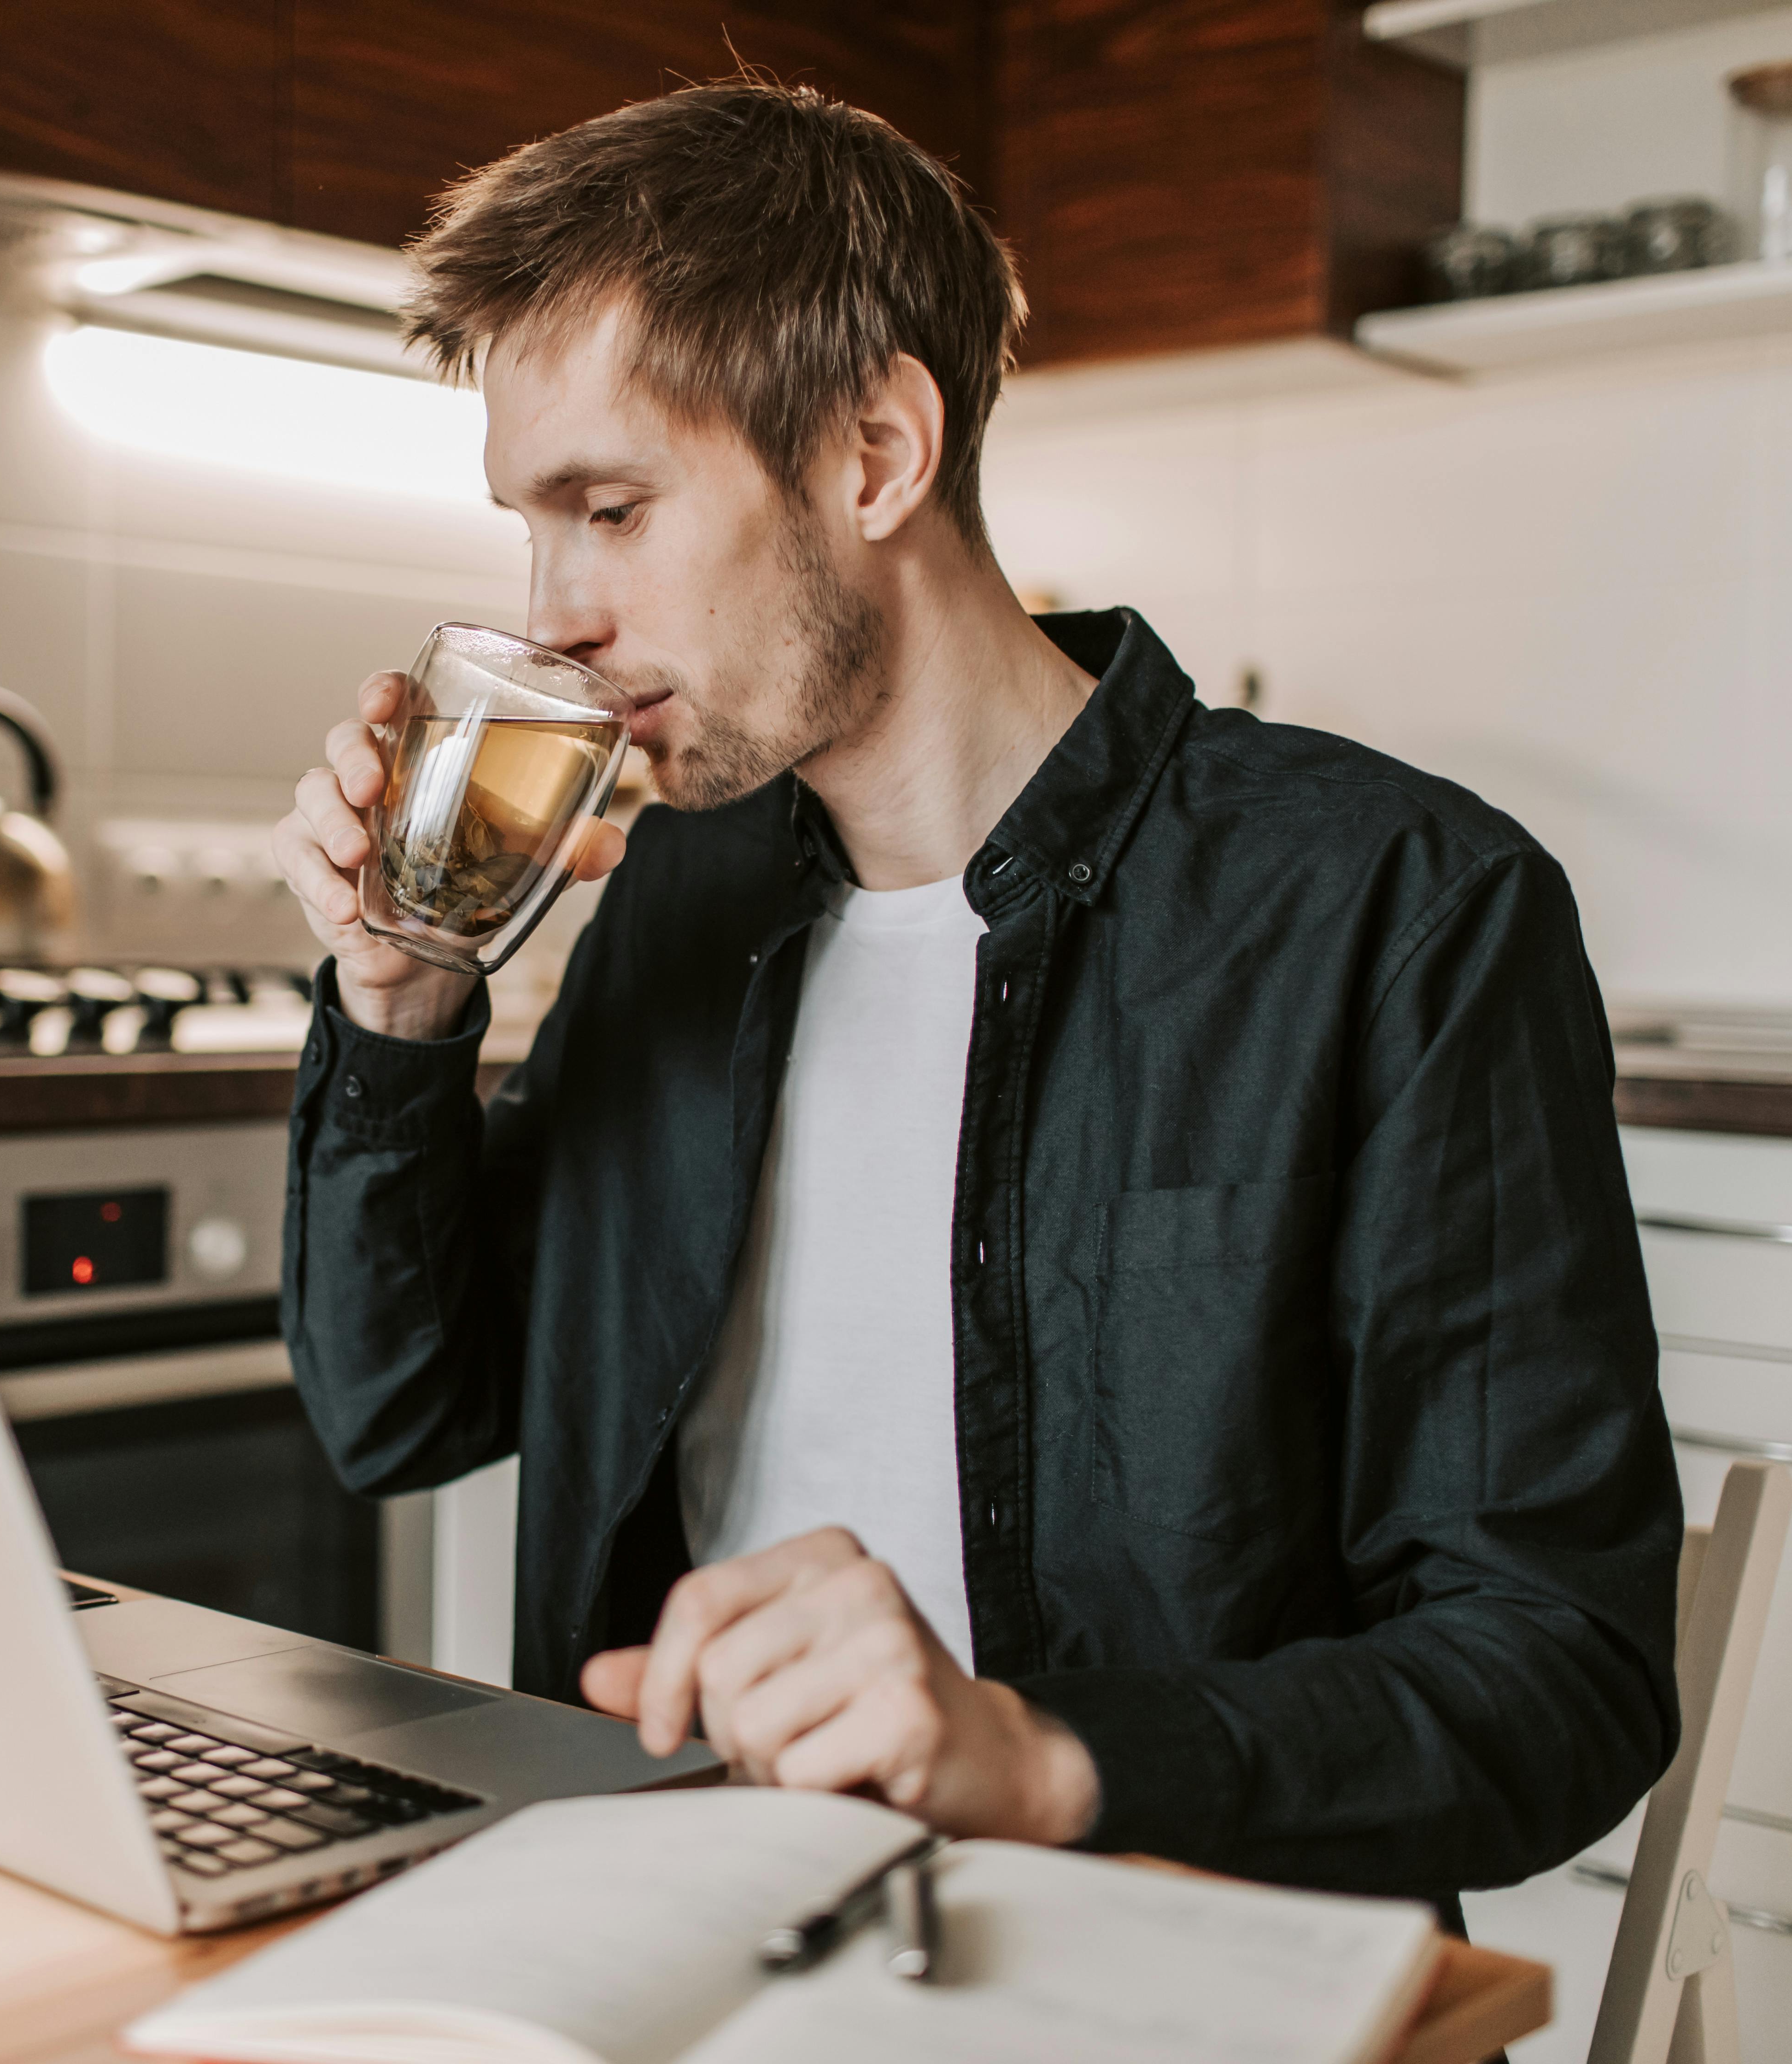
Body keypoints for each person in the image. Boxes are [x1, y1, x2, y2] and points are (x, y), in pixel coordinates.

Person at [269, 78, 1681, 1914]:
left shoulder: (1393, 908)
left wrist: (1039, 1757)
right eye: (535, 530)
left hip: (1165, 1959)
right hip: (696, 1927)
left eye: (609, 510)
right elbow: (402, 1413)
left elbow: (1557, 1677)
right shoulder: (683, 897)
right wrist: (401, 1008)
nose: (558, 613)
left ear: (873, 455)